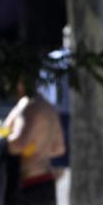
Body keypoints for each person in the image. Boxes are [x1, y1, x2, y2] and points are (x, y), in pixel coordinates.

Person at [38, 25, 72, 175]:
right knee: (59, 160)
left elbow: (40, 87)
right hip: (64, 113)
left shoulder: (52, 58)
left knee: (58, 161)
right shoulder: (59, 59)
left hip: (56, 111)